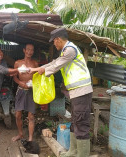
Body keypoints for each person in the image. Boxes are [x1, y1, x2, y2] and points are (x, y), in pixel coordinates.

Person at [30, 28, 93, 157]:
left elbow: (56, 66)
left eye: (54, 42)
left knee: (80, 123)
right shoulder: (66, 50)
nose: (54, 44)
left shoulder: (70, 50)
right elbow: (54, 62)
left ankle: (82, 154)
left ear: (58, 39)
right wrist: (38, 69)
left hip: (82, 91)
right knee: (75, 121)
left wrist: (42, 71)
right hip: (76, 92)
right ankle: (73, 152)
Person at [12, 43, 38, 142]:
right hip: (21, 90)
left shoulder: (35, 64)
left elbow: (37, 78)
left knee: (31, 116)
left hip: (31, 91)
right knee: (18, 114)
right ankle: (20, 134)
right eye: (28, 49)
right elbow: (14, 77)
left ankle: (30, 138)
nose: (29, 52)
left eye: (32, 50)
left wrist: (33, 83)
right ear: (24, 50)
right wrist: (21, 83)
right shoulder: (17, 63)